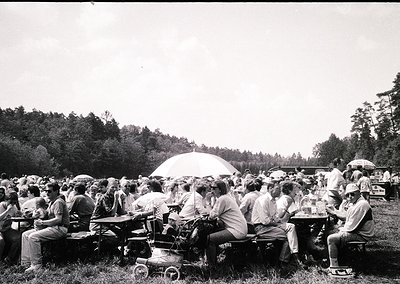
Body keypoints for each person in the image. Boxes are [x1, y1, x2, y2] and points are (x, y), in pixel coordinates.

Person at [21, 182, 70, 272]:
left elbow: (58, 219)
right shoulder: (52, 202)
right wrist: (33, 214)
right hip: (53, 227)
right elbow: (45, 214)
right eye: (46, 191)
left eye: (49, 191)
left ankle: (37, 265)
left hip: (60, 228)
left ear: (56, 191)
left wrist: (42, 222)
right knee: (25, 234)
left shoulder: (58, 202)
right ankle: (26, 262)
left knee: (33, 237)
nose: (47, 193)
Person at [252, 184, 303, 267]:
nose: (280, 191)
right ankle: (284, 261)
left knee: (291, 226)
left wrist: (279, 222)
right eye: (278, 188)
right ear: (270, 188)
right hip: (261, 228)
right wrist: (278, 223)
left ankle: (294, 255)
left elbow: (275, 217)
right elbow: (265, 221)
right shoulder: (263, 200)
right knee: (289, 235)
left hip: (270, 226)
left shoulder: (274, 201)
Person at [326, 183, 374, 269]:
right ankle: (338, 257)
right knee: (329, 231)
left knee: (331, 238)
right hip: (357, 231)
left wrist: (340, 228)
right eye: (347, 195)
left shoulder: (362, 204)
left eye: (352, 194)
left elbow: (353, 227)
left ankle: (334, 265)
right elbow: (349, 218)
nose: (350, 197)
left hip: (362, 234)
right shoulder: (356, 202)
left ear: (359, 193)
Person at [206, 180, 247, 266]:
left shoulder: (222, 199)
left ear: (220, 189)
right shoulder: (225, 197)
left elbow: (211, 216)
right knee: (213, 234)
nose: (211, 190)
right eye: (211, 188)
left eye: (214, 188)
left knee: (209, 239)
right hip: (239, 227)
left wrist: (208, 202)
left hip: (236, 230)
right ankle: (214, 260)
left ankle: (212, 266)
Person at [0, 192, 22, 265]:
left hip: (7, 230)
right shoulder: (1, 205)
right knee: (1, 241)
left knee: (19, 237)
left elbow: (15, 218)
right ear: (6, 200)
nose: (12, 204)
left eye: (14, 203)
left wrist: (19, 214)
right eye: (11, 202)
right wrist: (7, 211)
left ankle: (9, 258)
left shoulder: (14, 207)